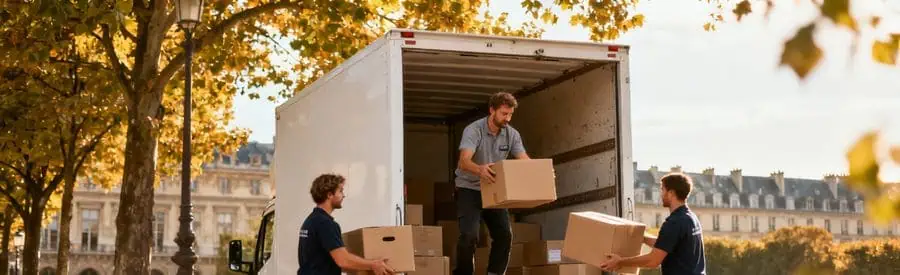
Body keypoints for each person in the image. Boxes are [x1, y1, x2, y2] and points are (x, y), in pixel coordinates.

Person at [453, 92, 530, 275]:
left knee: (504, 235)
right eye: (504, 114)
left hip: (493, 189)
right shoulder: (474, 130)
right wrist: (480, 169)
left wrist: (541, 174)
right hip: (469, 188)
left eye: (510, 114)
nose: (508, 118)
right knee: (469, 236)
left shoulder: (512, 135)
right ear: (491, 110)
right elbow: (463, 162)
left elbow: (525, 160)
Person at [600, 173, 707, 275]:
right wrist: (642, 237)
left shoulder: (674, 222)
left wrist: (620, 262)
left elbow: (653, 261)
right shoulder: (691, 218)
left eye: (662, 190)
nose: (661, 194)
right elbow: (666, 244)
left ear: (671, 193)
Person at [297, 173, 395, 275]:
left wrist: (363, 267)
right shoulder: (326, 224)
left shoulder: (310, 220)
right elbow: (343, 260)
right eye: (340, 191)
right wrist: (373, 264)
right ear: (329, 195)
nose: (343, 195)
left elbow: (324, 262)